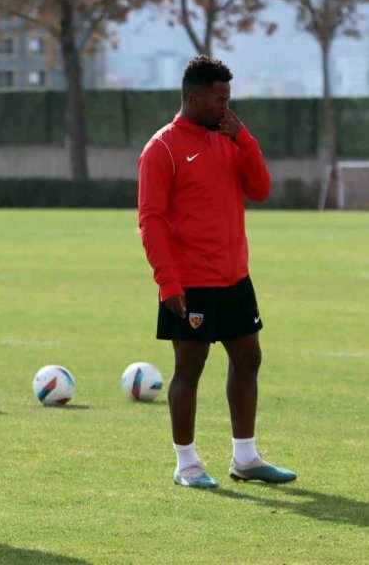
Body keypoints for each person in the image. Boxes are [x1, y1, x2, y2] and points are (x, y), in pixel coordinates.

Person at [137, 55, 296, 489]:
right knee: (190, 369)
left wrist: (244, 137)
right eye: (219, 99)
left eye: (228, 98)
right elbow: (151, 220)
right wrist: (167, 282)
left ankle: (245, 458)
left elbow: (260, 189)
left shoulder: (229, 138)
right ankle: (186, 464)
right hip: (190, 282)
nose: (226, 107)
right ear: (194, 98)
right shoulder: (162, 148)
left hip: (234, 277)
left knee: (248, 359)